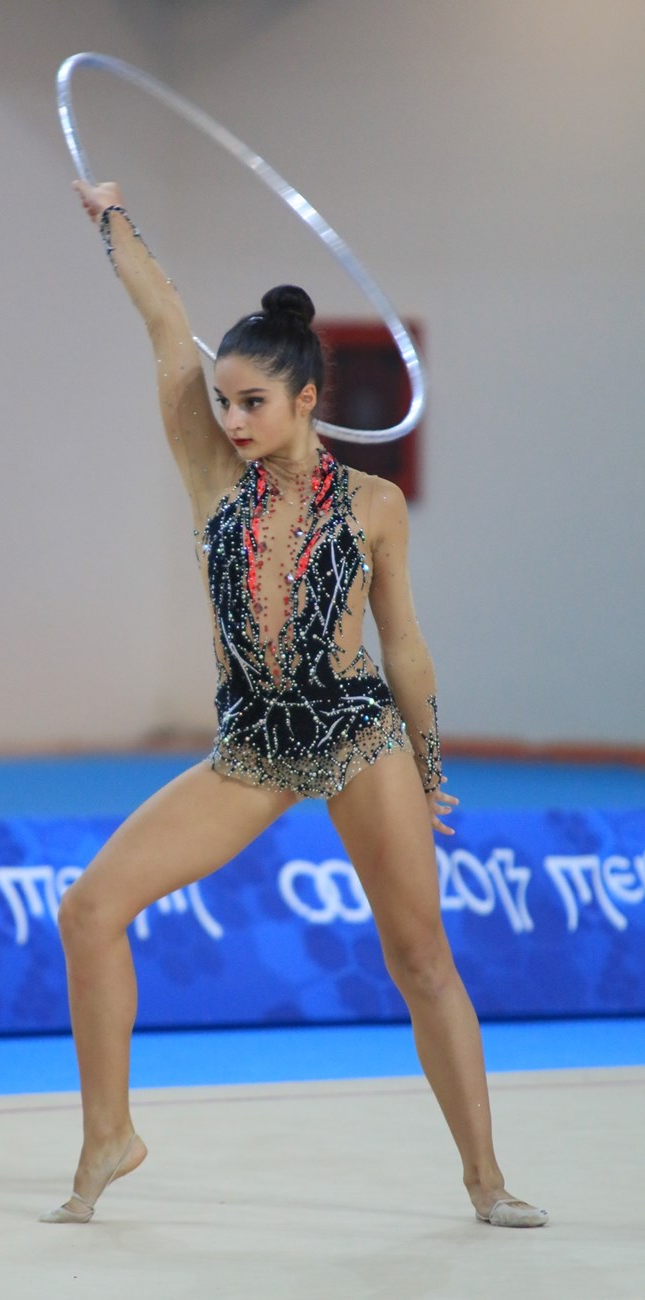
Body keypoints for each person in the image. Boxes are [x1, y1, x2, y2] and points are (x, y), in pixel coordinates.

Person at [39, 180, 547, 1230]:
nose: (230, 420)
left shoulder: (373, 505)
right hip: (254, 744)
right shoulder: (208, 471)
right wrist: (112, 217)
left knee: (420, 958)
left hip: (357, 734)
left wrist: (429, 767)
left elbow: (403, 646)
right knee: (88, 910)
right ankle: (109, 1136)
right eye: (223, 402)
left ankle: (485, 1179)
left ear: (307, 399)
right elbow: (164, 320)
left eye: (252, 404)